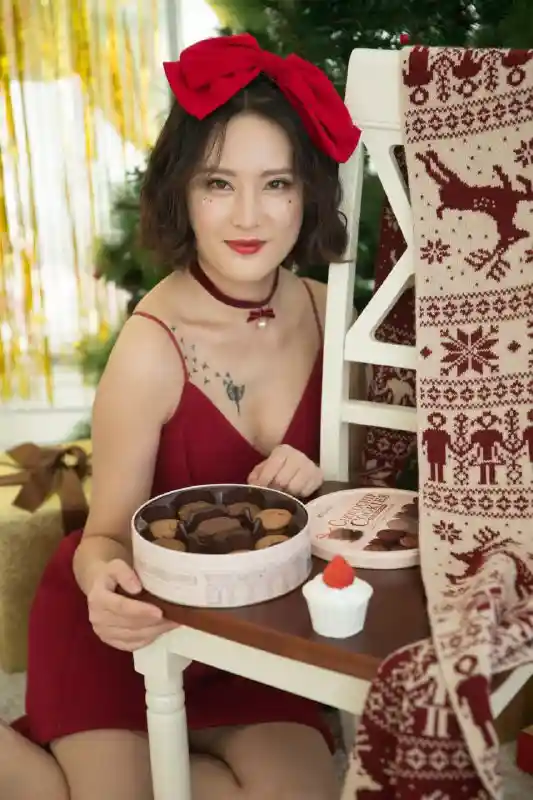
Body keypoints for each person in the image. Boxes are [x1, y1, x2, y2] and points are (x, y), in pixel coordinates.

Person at [0, 33, 360, 800]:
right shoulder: (149, 347)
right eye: (218, 183)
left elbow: (368, 497)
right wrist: (104, 590)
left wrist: (324, 477)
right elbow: (102, 538)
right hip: (133, 627)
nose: (249, 215)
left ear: (307, 193)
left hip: (251, 633)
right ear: (182, 193)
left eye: (276, 183)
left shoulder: (328, 316)